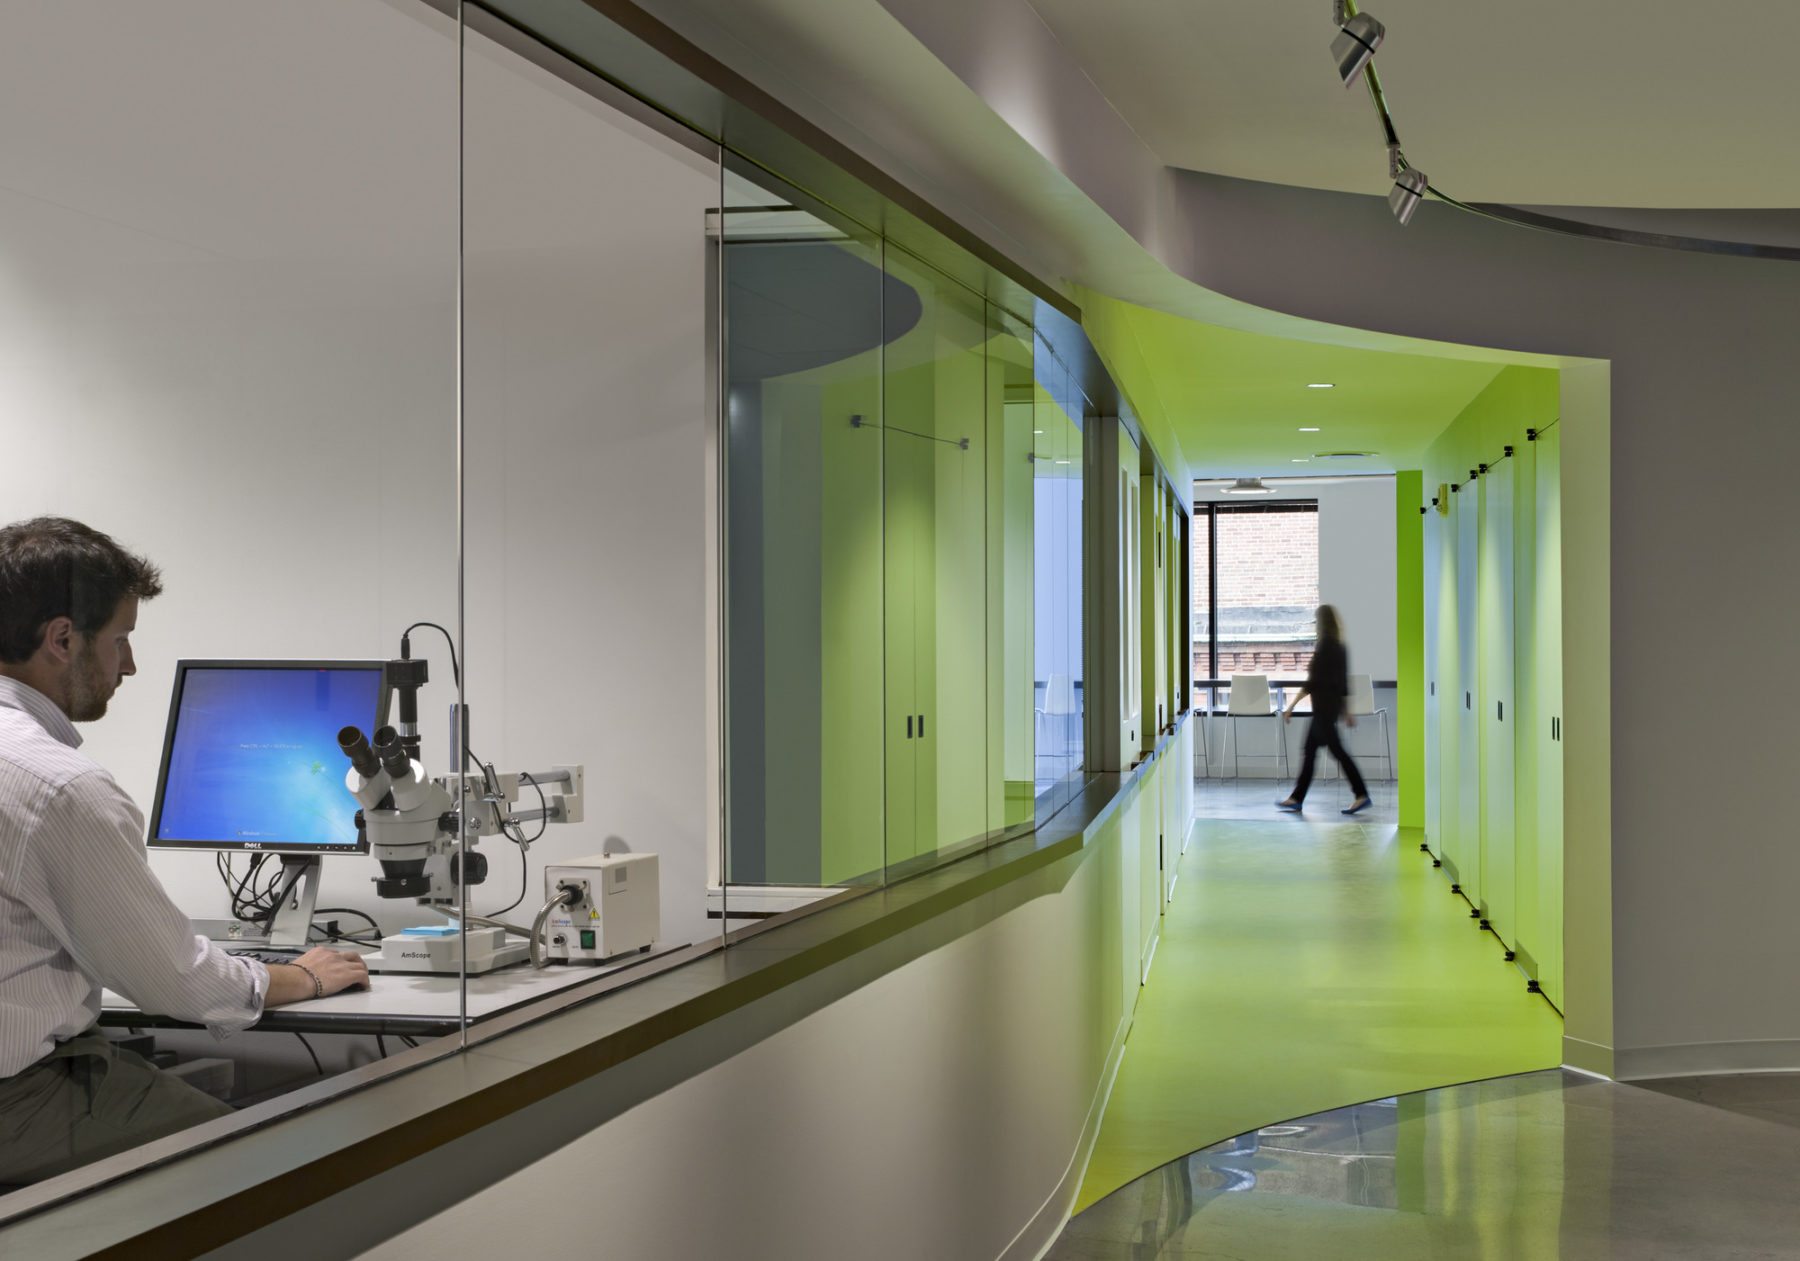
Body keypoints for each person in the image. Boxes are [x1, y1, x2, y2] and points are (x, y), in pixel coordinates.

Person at [0, 517, 369, 1186]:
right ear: (60, 639)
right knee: (269, 1164)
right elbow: (172, 978)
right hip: (19, 1102)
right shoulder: (57, 786)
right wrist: (301, 975)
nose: (130, 664)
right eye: (121, 640)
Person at [1275, 604, 1372, 816]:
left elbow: (1313, 682)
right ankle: (1297, 798)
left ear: (1321, 622)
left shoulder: (1325, 646)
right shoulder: (1340, 647)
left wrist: (1290, 707)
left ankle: (1361, 794)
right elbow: (1343, 684)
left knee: (1335, 751)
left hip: (1323, 710)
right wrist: (1345, 711)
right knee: (1311, 751)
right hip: (1331, 709)